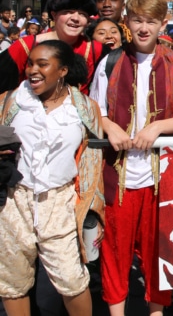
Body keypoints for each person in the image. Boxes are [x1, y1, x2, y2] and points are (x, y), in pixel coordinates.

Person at [90, 0, 173, 316]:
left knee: (158, 249)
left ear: (163, 24)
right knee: (115, 250)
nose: (143, 28)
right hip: (118, 175)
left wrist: (157, 128)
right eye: (137, 20)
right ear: (126, 21)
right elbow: (94, 110)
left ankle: (156, 311)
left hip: (161, 176)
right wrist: (109, 127)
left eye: (151, 22)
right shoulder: (111, 61)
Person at [0, 40, 104, 316]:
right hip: (14, 200)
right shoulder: (11, 101)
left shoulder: (83, 108)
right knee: (12, 281)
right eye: (30, 63)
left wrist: (91, 205)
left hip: (60, 200)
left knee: (71, 279)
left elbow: (92, 156)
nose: (33, 69)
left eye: (42, 64)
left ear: (62, 71)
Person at [0, 0, 107, 96]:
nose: (76, 18)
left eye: (82, 14)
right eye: (68, 12)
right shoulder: (26, 45)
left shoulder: (95, 48)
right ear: (54, 15)